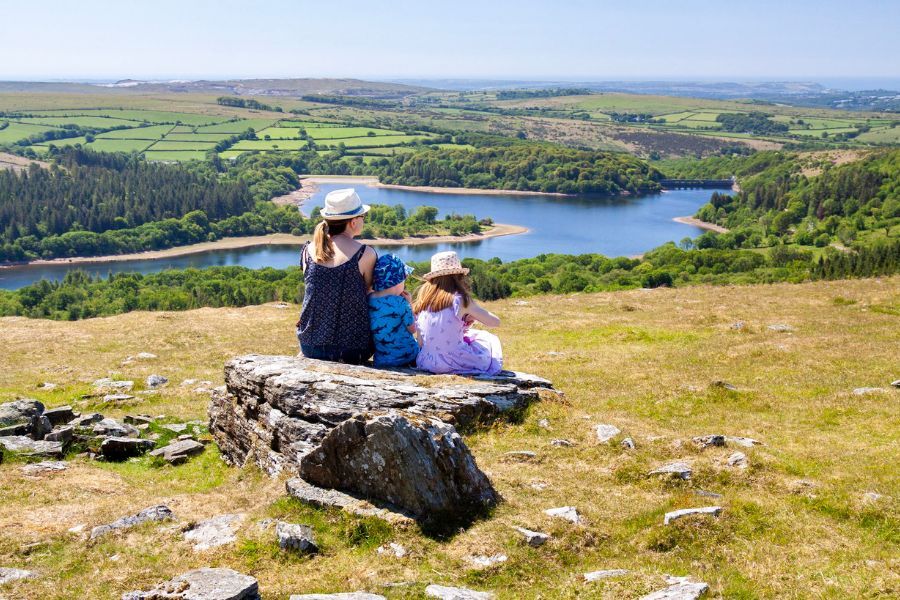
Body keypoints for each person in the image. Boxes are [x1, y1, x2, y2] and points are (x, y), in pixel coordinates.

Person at [296, 188, 376, 364]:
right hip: (353, 350)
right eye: (363, 217)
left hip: (309, 345)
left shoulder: (308, 251)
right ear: (353, 222)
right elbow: (370, 292)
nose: (364, 220)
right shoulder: (365, 254)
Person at [413, 251, 503, 375]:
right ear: (458, 276)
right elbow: (495, 322)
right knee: (488, 339)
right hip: (454, 362)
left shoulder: (422, 302)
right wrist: (473, 316)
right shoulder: (460, 299)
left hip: (427, 362)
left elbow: (421, 342)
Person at [368, 254, 420, 368]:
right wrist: (409, 304)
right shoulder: (400, 302)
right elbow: (413, 329)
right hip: (408, 356)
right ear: (397, 281)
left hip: (382, 360)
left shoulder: (368, 299)